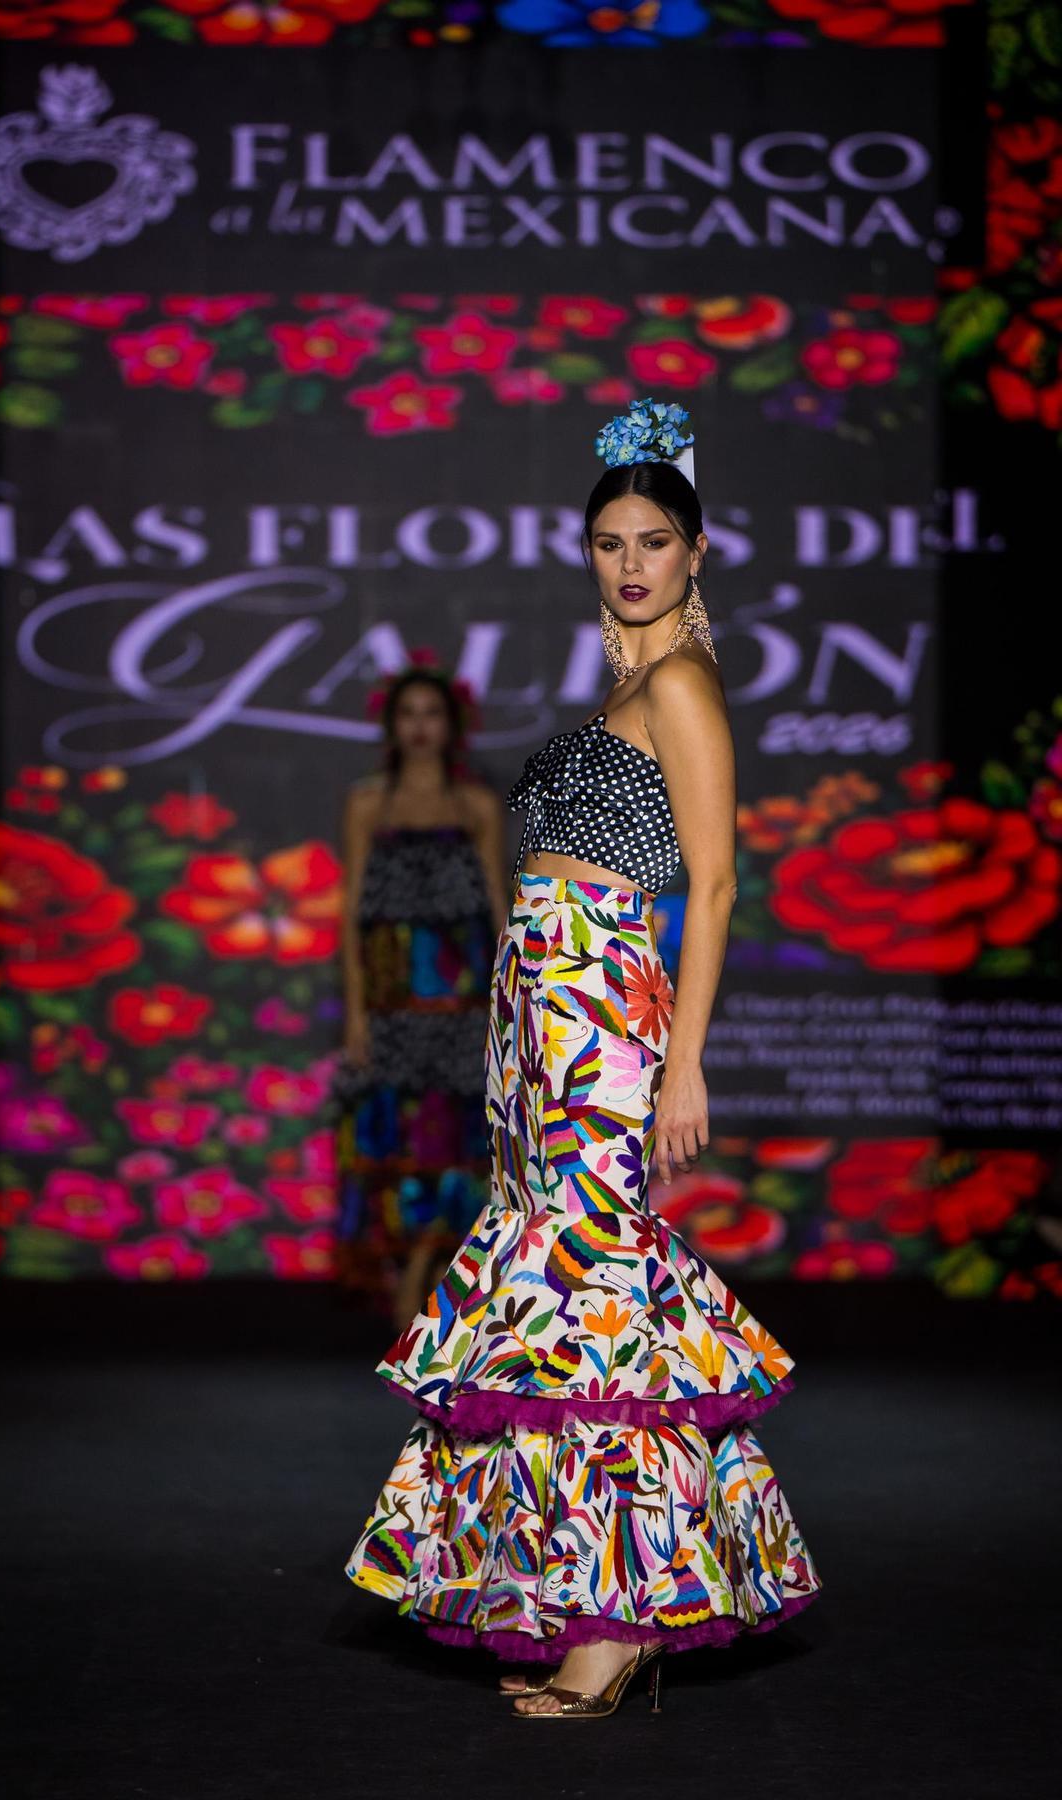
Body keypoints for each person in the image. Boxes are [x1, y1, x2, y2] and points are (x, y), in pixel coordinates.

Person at [346, 401, 821, 1719]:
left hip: (612, 1017)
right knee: (560, 1320)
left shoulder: (677, 685)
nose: (629, 563)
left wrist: (684, 1063)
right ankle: (592, 1604)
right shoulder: (626, 683)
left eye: (653, 541)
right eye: (610, 541)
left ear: (697, 553)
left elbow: (716, 886)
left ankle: (616, 1631)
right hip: (541, 1027)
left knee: (596, 1304)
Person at [334, 663, 506, 1328]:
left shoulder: (475, 806)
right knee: (402, 1146)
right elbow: (353, 913)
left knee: (460, 1150)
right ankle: (411, 1280)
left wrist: (507, 1000)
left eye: (432, 714)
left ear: (452, 724)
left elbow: (495, 907)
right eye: (409, 714)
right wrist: (355, 1011)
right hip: (390, 1001)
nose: (421, 727)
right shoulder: (367, 803)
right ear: (391, 726)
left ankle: (429, 1279)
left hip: (462, 1003)